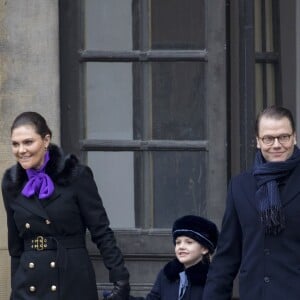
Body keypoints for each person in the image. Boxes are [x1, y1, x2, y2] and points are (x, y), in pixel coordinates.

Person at [2, 111, 130, 300]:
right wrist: (15, 289)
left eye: (28, 142)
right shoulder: (11, 184)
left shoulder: (76, 176)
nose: (21, 150)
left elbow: (101, 231)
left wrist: (120, 277)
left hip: (72, 280)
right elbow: (15, 248)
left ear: (46, 140)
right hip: (28, 284)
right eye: (15, 144)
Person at [203, 105, 300, 300]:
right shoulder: (240, 186)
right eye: (268, 138)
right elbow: (227, 256)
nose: (276, 144)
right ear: (258, 141)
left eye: (283, 137)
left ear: (294, 137)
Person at [130, 215, 219, 300]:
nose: (181, 246)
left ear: (205, 249)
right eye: (178, 242)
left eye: (189, 242)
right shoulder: (167, 274)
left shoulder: (211, 278)